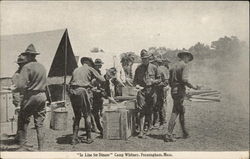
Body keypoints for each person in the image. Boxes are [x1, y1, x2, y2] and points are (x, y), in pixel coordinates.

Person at [14, 44, 47, 151]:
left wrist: (15, 89)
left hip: (31, 96)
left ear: (28, 56)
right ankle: (41, 149)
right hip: (42, 95)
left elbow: (20, 85)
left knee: (22, 119)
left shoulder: (26, 67)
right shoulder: (42, 66)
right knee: (39, 124)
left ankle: (22, 145)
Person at [68, 57, 105, 145]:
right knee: (87, 114)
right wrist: (95, 83)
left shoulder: (76, 70)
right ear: (88, 63)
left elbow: (70, 83)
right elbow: (102, 80)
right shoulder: (90, 68)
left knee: (77, 116)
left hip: (73, 92)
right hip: (82, 92)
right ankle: (89, 137)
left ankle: (74, 138)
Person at [164, 51, 199, 142]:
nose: (188, 60)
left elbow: (169, 82)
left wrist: (175, 87)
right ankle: (168, 134)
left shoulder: (173, 66)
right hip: (179, 91)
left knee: (181, 110)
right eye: (188, 58)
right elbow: (184, 79)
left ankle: (184, 132)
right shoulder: (184, 66)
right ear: (185, 57)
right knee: (175, 111)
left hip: (174, 91)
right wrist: (193, 87)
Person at [133, 49, 160, 138]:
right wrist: (137, 86)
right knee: (141, 111)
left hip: (152, 92)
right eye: (143, 59)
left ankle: (148, 129)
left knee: (150, 110)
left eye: (146, 58)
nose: (145, 60)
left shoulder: (154, 67)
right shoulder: (138, 69)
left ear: (149, 59)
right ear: (141, 59)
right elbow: (134, 81)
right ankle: (141, 131)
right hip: (142, 92)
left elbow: (160, 79)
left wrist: (153, 81)